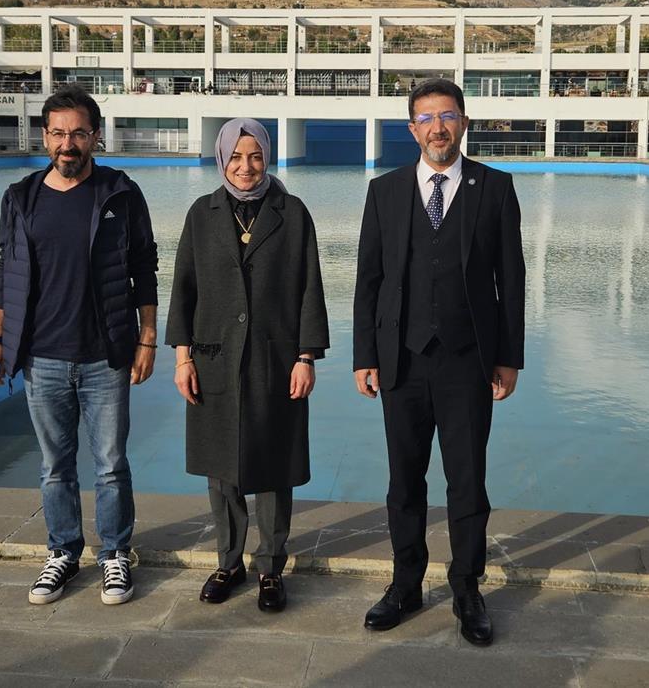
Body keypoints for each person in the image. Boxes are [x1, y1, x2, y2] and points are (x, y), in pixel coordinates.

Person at [352, 77, 525, 647]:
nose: (437, 128)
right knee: (404, 480)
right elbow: (369, 280)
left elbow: (511, 280)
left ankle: (467, 588)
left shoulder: (495, 188)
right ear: (412, 129)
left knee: (467, 481)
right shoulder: (384, 191)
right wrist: (364, 356)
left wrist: (509, 357)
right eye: (426, 118)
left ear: (464, 123)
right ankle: (405, 584)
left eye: (447, 116)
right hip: (400, 360)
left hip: (467, 362)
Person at [0, 84, 159, 608]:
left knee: (111, 464)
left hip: (106, 355)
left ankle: (115, 555)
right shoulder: (21, 198)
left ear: (94, 136)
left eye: (78, 133)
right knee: (55, 466)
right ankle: (62, 552)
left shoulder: (120, 193)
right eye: (58, 133)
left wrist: (148, 336)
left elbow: (144, 267)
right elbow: (7, 272)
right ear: (45, 136)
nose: (68, 143)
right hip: (42, 356)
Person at [166, 119, 328, 613]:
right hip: (214, 358)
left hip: (276, 358)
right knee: (222, 469)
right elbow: (183, 287)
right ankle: (229, 562)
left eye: (255, 156)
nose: (245, 166)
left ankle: (271, 566)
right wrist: (182, 357)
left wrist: (305, 357)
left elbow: (310, 287)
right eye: (236, 157)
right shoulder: (202, 213)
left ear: (267, 157)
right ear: (221, 159)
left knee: (274, 466)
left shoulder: (292, 213)